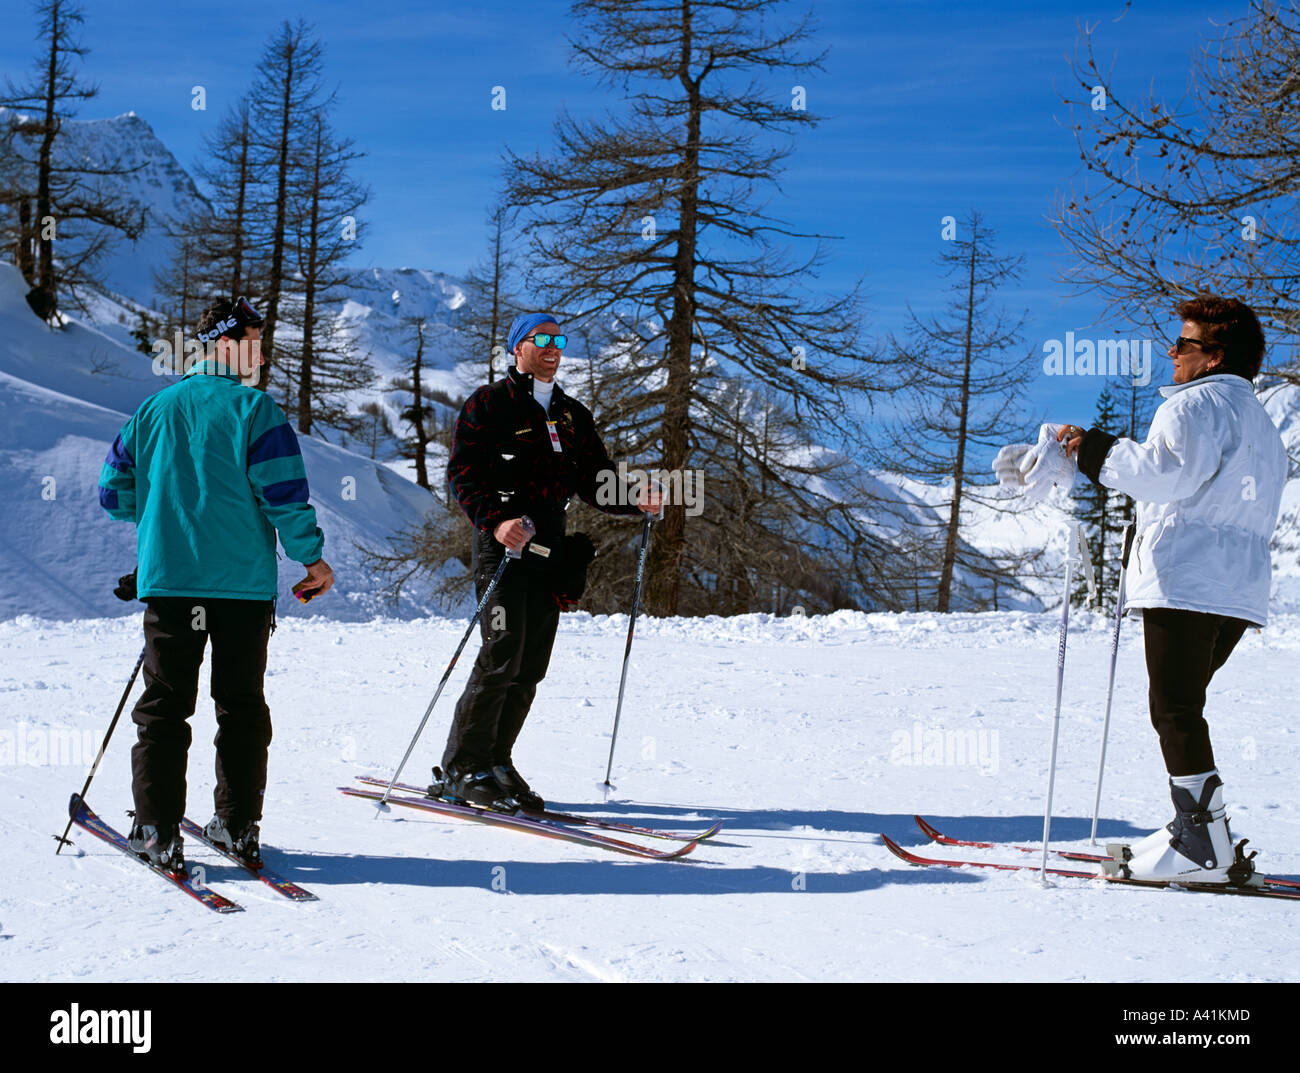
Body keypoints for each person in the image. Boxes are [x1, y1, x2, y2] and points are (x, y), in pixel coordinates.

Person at [97, 296, 334, 873]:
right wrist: (313, 562)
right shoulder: (257, 412)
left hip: (172, 585)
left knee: (163, 708)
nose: (261, 351)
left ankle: (155, 829)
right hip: (242, 591)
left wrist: (162, 525)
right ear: (224, 343)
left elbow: (113, 493)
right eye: (253, 338)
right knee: (242, 708)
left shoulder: (151, 411)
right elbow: (284, 497)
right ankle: (235, 826)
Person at [1059, 295, 1286, 884]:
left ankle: (1201, 843)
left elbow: (1163, 474)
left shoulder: (1195, 406)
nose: (1172, 352)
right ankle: (1202, 832)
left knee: (1175, 709)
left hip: (1186, 578)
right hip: (1237, 589)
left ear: (1213, 357)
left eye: (1184, 343)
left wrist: (1091, 448)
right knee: (1184, 704)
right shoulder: (1261, 423)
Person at [439, 311, 660, 810]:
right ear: (518, 348)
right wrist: (495, 521)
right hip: (503, 546)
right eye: (541, 340)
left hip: (549, 551)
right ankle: (462, 767)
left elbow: (596, 479)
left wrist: (637, 496)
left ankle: (496, 761)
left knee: (530, 664)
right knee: (501, 654)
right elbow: (463, 473)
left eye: (559, 340)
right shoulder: (489, 405)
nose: (553, 347)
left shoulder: (571, 414)